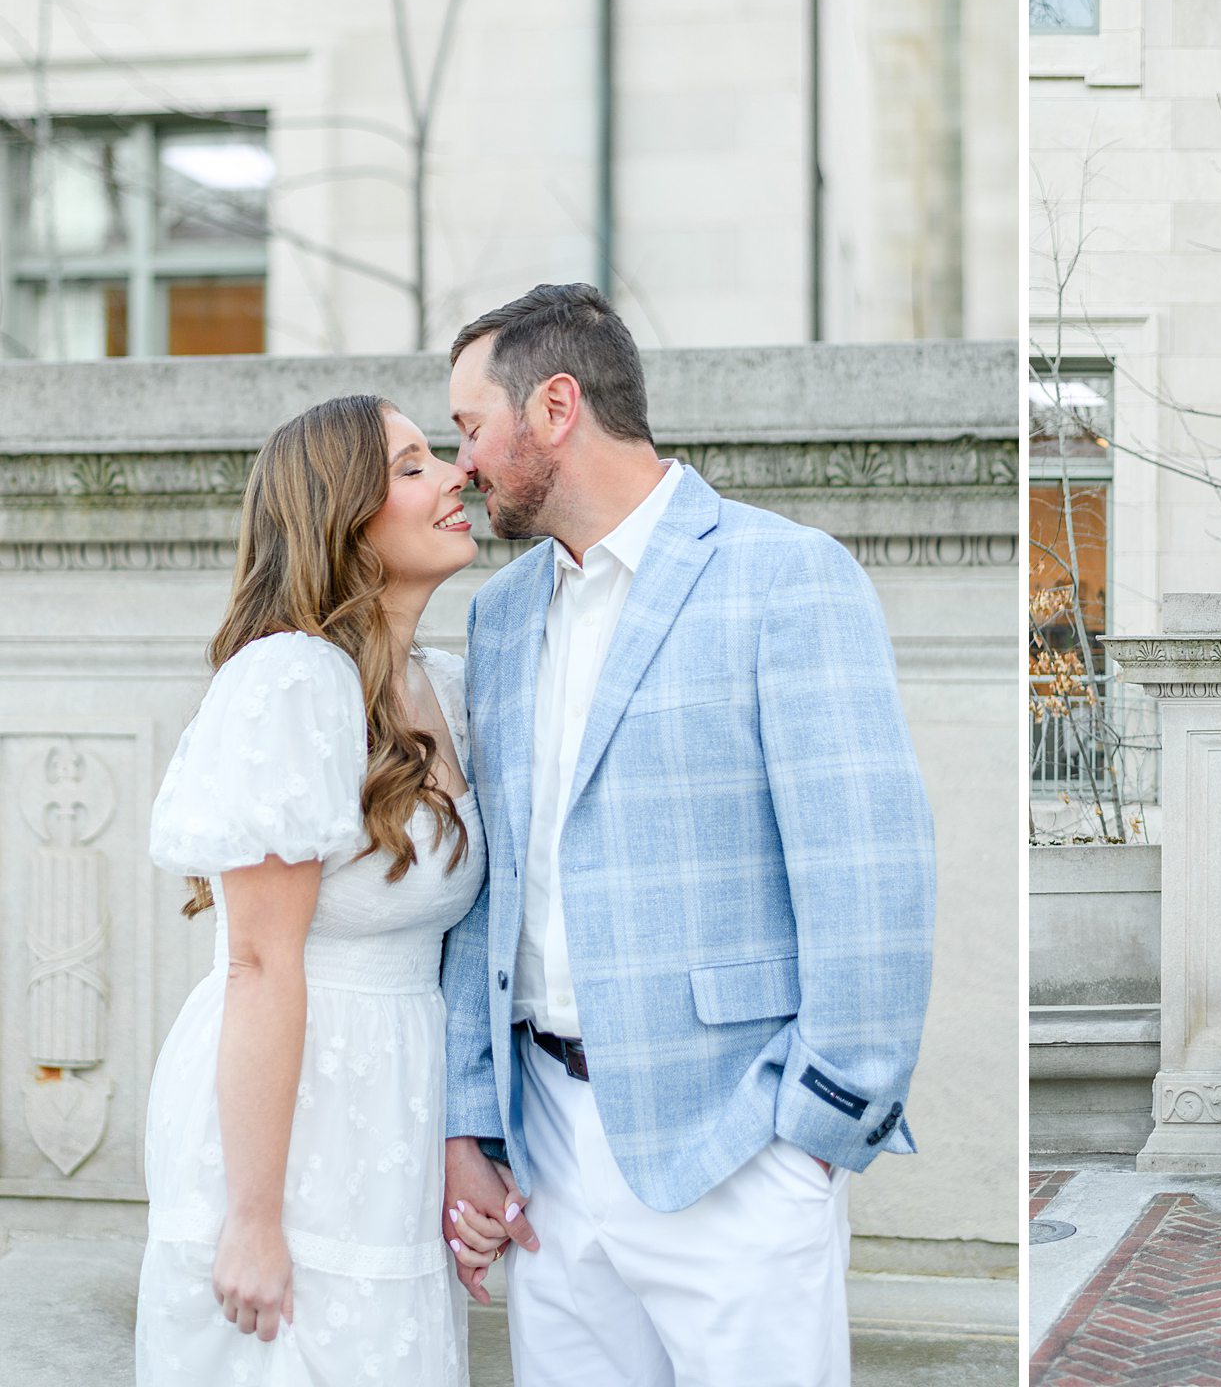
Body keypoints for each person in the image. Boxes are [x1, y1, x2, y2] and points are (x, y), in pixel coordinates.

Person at [436, 283, 937, 1387]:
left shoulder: (783, 576)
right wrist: (470, 1122)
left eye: (470, 427)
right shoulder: (500, 613)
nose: (460, 463)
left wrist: (811, 1137)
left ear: (555, 405)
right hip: (549, 1157)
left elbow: (870, 873)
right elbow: (486, 892)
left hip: (736, 1147)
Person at [136, 395, 485, 1384]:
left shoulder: (442, 686)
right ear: (345, 514)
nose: (456, 474)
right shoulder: (292, 680)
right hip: (289, 1120)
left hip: (397, 1107)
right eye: (414, 465)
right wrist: (252, 1218)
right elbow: (256, 959)